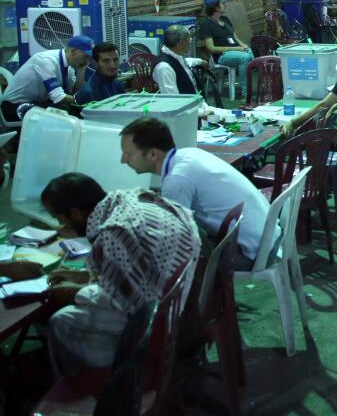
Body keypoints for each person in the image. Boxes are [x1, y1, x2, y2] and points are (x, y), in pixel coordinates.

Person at [41, 172, 200, 377]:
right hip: (187, 293)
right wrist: (83, 277)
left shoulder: (114, 232)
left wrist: (75, 292)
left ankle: (97, 384)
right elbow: (133, 270)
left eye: (59, 219)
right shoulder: (129, 199)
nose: (61, 228)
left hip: (161, 316)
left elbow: (120, 300)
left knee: (62, 321)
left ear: (76, 214)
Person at [120, 117, 274, 270]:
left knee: (161, 262)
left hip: (250, 254)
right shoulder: (189, 154)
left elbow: (175, 240)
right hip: (268, 236)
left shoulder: (176, 180)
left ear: (153, 154)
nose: (123, 160)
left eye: (128, 154)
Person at [1, 34, 93, 122]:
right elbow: (59, 97)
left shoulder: (69, 67)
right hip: (13, 106)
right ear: (73, 51)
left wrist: (82, 71)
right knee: (60, 118)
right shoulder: (47, 60)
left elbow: (75, 92)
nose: (87, 61)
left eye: (89, 58)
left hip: (36, 103)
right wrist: (87, 100)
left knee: (76, 112)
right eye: (85, 57)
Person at [199, 0, 252, 92]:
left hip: (236, 50)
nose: (226, 5)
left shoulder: (225, 19)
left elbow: (234, 37)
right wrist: (237, 49)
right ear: (215, 7)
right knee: (245, 58)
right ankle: (246, 94)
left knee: (253, 55)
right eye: (223, 3)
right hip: (221, 56)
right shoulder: (206, 24)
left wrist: (244, 46)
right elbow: (211, 48)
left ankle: (261, 87)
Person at [153, 25, 205, 95]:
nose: (190, 42)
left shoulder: (174, 55)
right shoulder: (164, 68)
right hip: (189, 104)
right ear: (181, 43)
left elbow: (183, 64)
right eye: (189, 39)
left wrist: (200, 61)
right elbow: (173, 99)